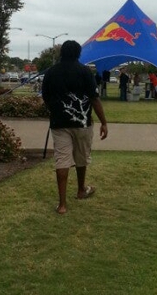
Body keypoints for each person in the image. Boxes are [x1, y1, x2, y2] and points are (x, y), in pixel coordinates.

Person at [42, 40, 108, 214]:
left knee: (61, 160)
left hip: (59, 123)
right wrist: (104, 122)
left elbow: (46, 97)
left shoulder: (51, 72)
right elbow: (94, 99)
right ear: (79, 53)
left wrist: (54, 111)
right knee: (82, 157)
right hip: (82, 123)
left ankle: (62, 205)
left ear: (61, 52)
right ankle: (81, 190)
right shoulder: (85, 71)